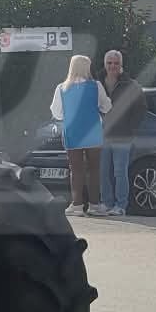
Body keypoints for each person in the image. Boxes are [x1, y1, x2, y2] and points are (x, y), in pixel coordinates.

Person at [51, 53, 110, 216]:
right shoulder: (96, 85)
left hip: (73, 131)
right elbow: (106, 106)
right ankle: (94, 205)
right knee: (94, 169)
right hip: (92, 132)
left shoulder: (62, 88)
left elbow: (57, 113)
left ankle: (76, 205)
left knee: (75, 169)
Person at [99, 49, 144, 217]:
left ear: (121, 65)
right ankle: (106, 203)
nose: (112, 66)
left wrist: (131, 129)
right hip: (102, 135)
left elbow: (140, 110)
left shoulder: (131, 85)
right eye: (109, 63)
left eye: (116, 63)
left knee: (119, 172)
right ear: (105, 64)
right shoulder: (97, 83)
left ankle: (120, 205)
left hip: (122, 136)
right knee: (103, 172)